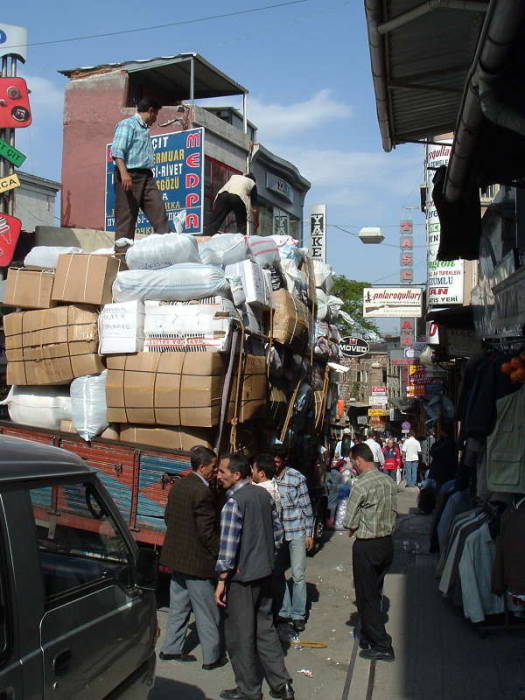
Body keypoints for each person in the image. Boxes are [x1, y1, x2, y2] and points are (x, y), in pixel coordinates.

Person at [215, 453, 294, 700]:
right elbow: (278, 535)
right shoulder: (263, 495)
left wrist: (221, 580)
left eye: (222, 472)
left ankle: (248, 690)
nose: (218, 476)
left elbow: (228, 548)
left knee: (240, 636)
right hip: (265, 573)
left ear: (236, 475)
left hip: (243, 579)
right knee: (265, 630)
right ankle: (282, 685)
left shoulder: (233, 503)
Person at [159, 445, 226, 669]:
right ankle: (212, 657)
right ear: (202, 467)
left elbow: (169, 517)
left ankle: (171, 649)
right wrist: (221, 555)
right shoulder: (202, 492)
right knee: (207, 612)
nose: (216, 472)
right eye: (214, 467)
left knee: (178, 605)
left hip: (177, 559)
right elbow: (206, 532)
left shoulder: (179, 486)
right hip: (197, 563)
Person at [344, 443, 397, 662]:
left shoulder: (360, 485)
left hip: (367, 545)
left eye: (351, 462)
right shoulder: (389, 481)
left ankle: (382, 645)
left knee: (366, 596)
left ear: (358, 460)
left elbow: (349, 521)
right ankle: (367, 633)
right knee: (374, 590)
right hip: (387, 543)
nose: (351, 466)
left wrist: (353, 526)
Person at [111, 97, 169, 238]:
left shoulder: (144, 129)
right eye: (156, 114)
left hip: (147, 176)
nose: (155, 119)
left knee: (159, 212)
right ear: (150, 111)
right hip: (129, 175)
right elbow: (117, 151)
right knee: (127, 216)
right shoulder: (127, 125)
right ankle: (122, 256)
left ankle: (167, 250)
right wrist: (124, 174)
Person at [273, 449, 314, 633]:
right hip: (277, 535)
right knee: (277, 573)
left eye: (277, 460)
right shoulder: (267, 479)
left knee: (298, 575)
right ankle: (284, 611)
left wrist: (309, 533)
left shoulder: (297, 478)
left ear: (284, 460)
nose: (274, 464)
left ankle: (298, 615)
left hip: (296, 532)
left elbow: (306, 507)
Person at [251, 453, 282, 517]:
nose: (252, 472)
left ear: (261, 474)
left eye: (253, 469)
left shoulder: (259, 491)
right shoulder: (274, 485)